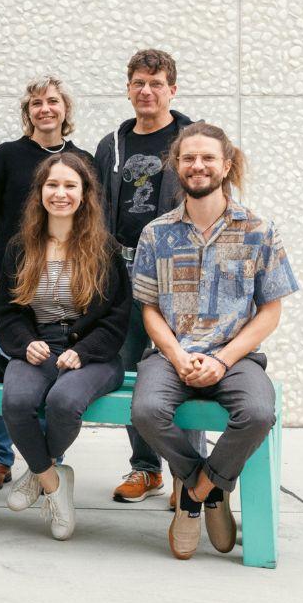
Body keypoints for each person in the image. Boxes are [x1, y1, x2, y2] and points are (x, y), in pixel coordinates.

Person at [129, 124, 298, 560]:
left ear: (225, 165)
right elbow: (149, 309)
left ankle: (196, 494)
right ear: (176, 166)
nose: (197, 165)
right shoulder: (156, 233)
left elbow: (270, 311)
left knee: (259, 412)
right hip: (171, 355)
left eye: (207, 158)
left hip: (235, 356)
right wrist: (177, 354)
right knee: (146, 411)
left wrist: (221, 361)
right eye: (188, 158)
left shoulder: (259, 231)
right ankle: (212, 485)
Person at [0, 154, 129, 541]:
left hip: (94, 353)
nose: (60, 193)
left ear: (85, 194)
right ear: (39, 192)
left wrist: (83, 352)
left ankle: (37, 470)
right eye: (52, 185)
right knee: (16, 402)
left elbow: (117, 318)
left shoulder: (105, 249)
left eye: (71, 186)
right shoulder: (21, 247)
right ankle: (53, 482)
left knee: (64, 402)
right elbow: (7, 313)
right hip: (39, 346)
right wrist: (26, 343)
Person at [94, 48, 205, 504]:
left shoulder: (193, 140)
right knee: (129, 367)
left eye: (156, 83)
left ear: (172, 90)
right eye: (139, 82)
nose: (146, 91)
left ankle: (190, 471)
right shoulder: (111, 145)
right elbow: (96, 209)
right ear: (128, 88)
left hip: (177, 272)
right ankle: (146, 468)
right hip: (121, 270)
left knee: (187, 366)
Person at [0, 75, 93, 493]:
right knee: (11, 364)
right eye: (36, 104)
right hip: (17, 278)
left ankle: (46, 458)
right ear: (27, 112)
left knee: (57, 364)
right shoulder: (8, 155)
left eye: (53, 102)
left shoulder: (81, 159)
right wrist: (9, 263)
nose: (45, 109)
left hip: (67, 278)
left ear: (66, 109)